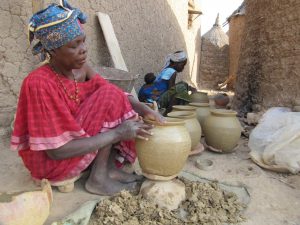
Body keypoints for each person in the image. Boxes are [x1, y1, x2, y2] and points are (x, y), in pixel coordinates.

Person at [10, 1, 164, 196]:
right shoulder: (39, 84)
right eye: (74, 46)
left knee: (110, 95)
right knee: (109, 101)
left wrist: (146, 110)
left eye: (83, 41)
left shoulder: (81, 68)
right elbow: (56, 151)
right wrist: (117, 133)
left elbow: (114, 93)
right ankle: (98, 179)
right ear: (53, 50)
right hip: (51, 161)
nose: (83, 49)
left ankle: (105, 169)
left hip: (77, 141)